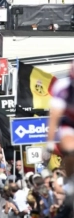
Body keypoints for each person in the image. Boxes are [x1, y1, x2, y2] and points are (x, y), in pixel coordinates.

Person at [47, 60, 74, 198]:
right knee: (70, 149)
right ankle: (70, 182)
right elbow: (54, 117)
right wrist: (50, 142)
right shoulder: (61, 87)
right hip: (69, 122)